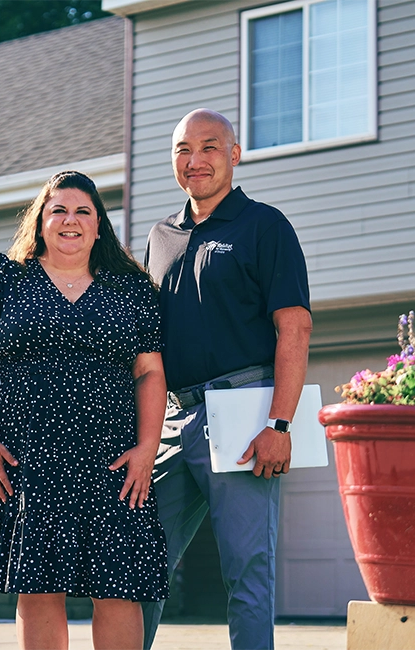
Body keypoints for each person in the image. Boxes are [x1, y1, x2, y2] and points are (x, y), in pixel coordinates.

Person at [0, 170, 169, 650]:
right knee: (39, 587)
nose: (71, 220)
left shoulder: (130, 290)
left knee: (118, 587)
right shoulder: (5, 279)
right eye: (59, 210)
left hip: (112, 459)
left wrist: (147, 449)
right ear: (41, 221)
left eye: (83, 211)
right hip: (28, 458)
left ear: (98, 225)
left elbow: (150, 372)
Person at [142, 109, 312, 650]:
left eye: (209, 147)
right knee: (135, 565)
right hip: (172, 419)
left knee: (247, 572)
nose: (195, 161)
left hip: (243, 412)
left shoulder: (264, 225)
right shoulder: (160, 236)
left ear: (234, 155)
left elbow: (295, 327)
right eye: (182, 150)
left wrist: (279, 424)